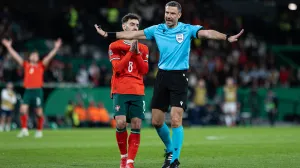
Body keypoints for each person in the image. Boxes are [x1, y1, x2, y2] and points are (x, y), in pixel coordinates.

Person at [94, 1, 243, 167]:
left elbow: (207, 33)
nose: (169, 16)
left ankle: (175, 160)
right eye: (167, 12)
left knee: (175, 119)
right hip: (162, 76)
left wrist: (226, 37)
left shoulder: (187, 29)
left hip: (179, 77)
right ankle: (170, 150)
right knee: (157, 121)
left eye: (172, 13)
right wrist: (107, 34)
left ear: (179, 15)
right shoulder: (157, 29)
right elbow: (131, 35)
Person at [108, 13, 149, 168]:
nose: (135, 27)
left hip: (138, 90)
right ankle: (123, 157)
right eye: (132, 24)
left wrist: (137, 52)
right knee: (120, 123)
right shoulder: (114, 46)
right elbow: (117, 68)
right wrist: (131, 52)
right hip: (120, 89)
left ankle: (130, 163)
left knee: (137, 124)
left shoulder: (144, 48)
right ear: (124, 27)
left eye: (137, 25)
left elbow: (144, 70)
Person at [1, 38, 62, 138]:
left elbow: (49, 57)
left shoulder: (41, 65)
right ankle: (24, 129)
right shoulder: (26, 65)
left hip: (37, 91)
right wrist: (9, 47)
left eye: (36, 55)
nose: (34, 56)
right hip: (28, 90)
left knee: (39, 112)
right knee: (23, 110)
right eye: (32, 55)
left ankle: (39, 130)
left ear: (38, 58)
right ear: (29, 57)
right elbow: (16, 57)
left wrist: (55, 48)